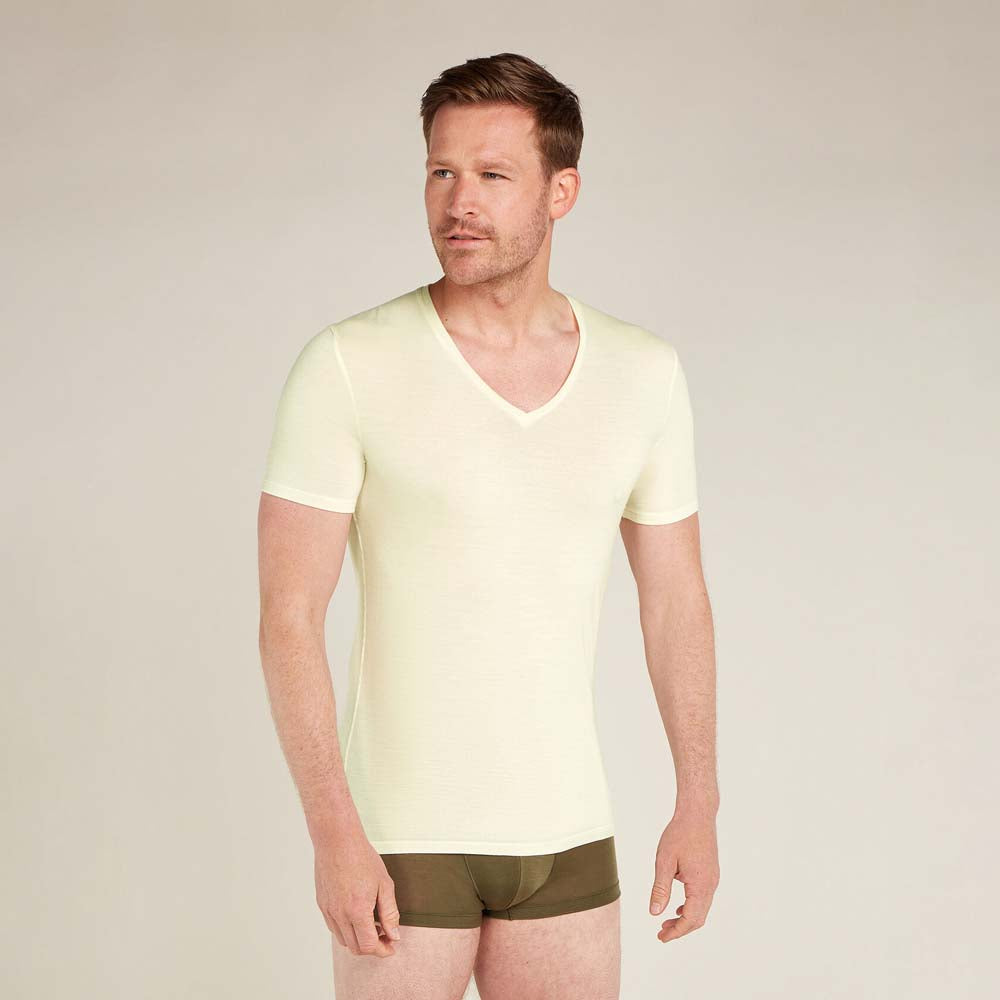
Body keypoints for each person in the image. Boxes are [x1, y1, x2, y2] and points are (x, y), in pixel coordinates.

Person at [257, 51, 719, 1000]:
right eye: (441, 170)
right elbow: (288, 615)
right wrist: (333, 832)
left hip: (569, 835)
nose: (458, 202)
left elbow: (676, 602)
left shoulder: (644, 373)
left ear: (561, 191)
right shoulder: (349, 364)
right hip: (399, 837)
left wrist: (698, 802)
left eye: (493, 175)